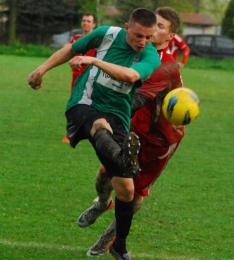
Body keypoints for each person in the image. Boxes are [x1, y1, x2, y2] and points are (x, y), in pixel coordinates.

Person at [28, 8, 160, 260]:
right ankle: (121, 158)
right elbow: (71, 49)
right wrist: (41, 69)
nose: (143, 42)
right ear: (126, 27)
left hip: (118, 116)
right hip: (85, 103)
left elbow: (131, 75)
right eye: (139, 35)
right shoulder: (106, 34)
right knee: (99, 126)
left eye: (149, 37)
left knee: (126, 191)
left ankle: (119, 245)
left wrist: (94, 61)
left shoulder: (151, 55)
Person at [83, 6, 185, 258]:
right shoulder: (135, 51)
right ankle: (103, 203)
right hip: (133, 129)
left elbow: (136, 100)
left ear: (169, 36)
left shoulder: (166, 67)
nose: (153, 29)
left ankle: (108, 239)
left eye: (160, 26)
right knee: (106, 172)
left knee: (135, 194)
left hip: (159, 141)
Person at [62, 12, 96, 143]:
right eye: (84, 20)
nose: (86, 23)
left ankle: (92, 131)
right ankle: (71, 133)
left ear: (93, 24)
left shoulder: (96, 40)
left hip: (91, 79)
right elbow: (66, 50)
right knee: (74, 104)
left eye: (89, 21)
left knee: (93, 105)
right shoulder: (76, 38)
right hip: (76, 77)